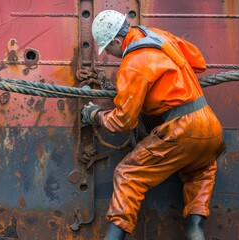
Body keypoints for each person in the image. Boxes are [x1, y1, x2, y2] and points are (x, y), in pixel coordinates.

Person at [81, 10, 226, 240]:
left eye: (109, 49)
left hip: (182, 129)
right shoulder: (158, 36)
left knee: (128, 174)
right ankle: (195, 231)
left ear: (118, 42)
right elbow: (199, 63)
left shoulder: (132, 63)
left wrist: (95, 114)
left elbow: (122, 121)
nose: (110, 55)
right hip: (210, 125)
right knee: (199, 173)